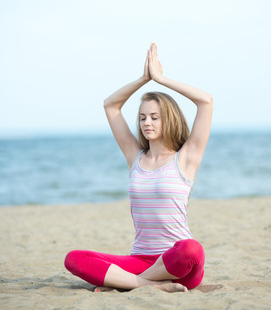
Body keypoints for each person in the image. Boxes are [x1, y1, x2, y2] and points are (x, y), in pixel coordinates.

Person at [65, 43, 213, 293]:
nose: (147, 122)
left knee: (192, 249)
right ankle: (149, 285)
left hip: (177, 264)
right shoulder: (135, 157)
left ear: (169, 119)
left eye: (155, 117)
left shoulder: (185, 158)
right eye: (143, 117)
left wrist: (160, 79)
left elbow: (206, 102)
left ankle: (129, 283)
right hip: (140, 261)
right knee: (74, 258)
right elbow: (110, 105)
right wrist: (143, 80)